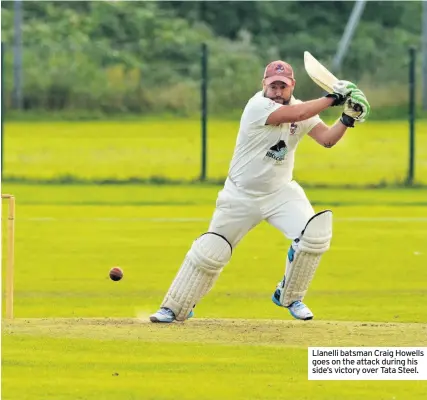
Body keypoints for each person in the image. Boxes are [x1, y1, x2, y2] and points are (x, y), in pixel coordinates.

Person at [150, 59, 370, 323]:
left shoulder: (302, 108)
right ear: (264, 85)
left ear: (292, 86)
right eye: (273, 86)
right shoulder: (257, 106)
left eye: (283, 87)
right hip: (240, 195)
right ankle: (174, 307)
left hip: (281, 193)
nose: (277, 92)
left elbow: (327, 139)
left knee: (314, 235)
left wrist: (348, 117)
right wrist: (333, 97)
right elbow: (297, 115)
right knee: (211, 251)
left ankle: (290, 296)